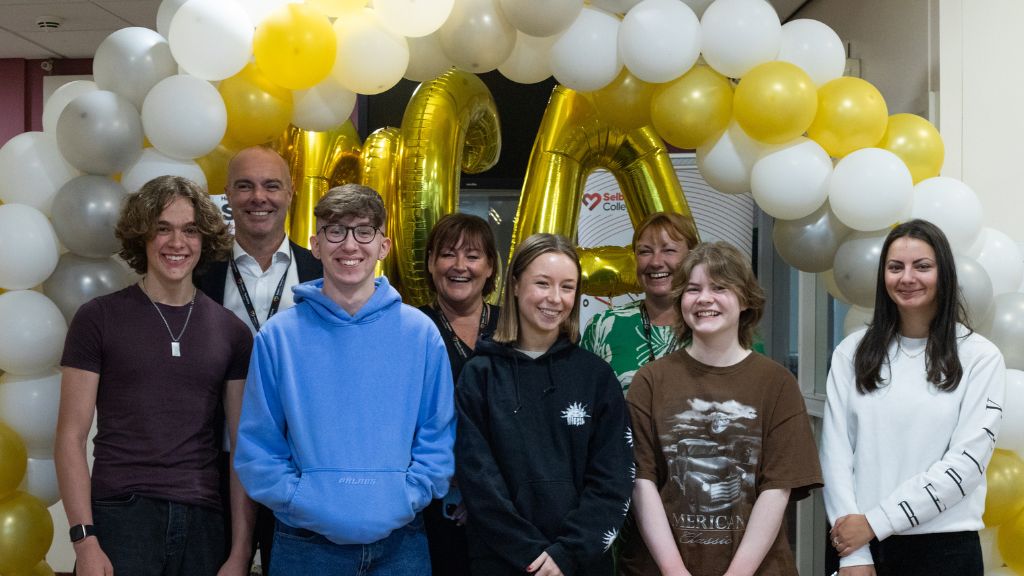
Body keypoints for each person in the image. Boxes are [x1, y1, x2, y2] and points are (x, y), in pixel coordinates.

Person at [233, 183, 456, 575]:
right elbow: (258, 448)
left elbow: (437, 437)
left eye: (363, 231)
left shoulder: (420, 334)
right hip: (305, 546)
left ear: (383, 245)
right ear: (315, 245)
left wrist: (407, 496)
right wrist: (300, 499)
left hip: (400, 545)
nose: (349, 245)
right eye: (335, 231)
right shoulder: (278, 337)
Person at [54, 176, 254, 576]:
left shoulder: (232, 331)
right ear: (142, 237)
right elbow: (70, 437)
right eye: (162, 228)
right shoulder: (98, 318)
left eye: (190, 231)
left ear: (204, 240)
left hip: (203, 521)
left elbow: (242, 451)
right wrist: (84, 539)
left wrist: (239, 554)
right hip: (120, 517)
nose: (177, 243)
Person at [619, 241, 822, 576]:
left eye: (720, 288)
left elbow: (777, 489)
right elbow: (642, 481)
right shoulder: (650, 380)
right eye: (693, 289)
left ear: (745, 300)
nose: (704, 299)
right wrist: (674, 571)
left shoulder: (777, 383)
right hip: (660, 567)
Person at [820, 219, 1006, 576]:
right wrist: (854, 554)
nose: (907, 278)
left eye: (922, 266)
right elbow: (835, 453)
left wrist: (875, 522)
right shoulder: (851, 353)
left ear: (944, 274)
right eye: (895, 267)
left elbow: (964, 467)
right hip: (860, 549)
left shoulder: (981, 358)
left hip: (944, 552)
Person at [455, 233, 634, 576]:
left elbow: (613, 479)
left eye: (567, 287)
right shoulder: (480, 375)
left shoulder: (596, 376)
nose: (555, 298)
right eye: (542, 283)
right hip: (501, 562)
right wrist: (531, 555)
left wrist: (567, 554)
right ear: (516, 285)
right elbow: (479, 482)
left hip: (581, 565)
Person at [193, 145, 323, 572]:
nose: (258, 197)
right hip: (213, 461)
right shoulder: (197, 273)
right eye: (245, 186)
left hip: (301, 461)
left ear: (290, 193)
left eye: (271, 185)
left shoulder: (323, 274)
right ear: (227, 194)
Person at [419, 213, 501, 575]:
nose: (459, 266)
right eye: (447, 254)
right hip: (432, 503)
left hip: (506, 504)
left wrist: (483, 489)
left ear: (490, 267)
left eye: (472, 256)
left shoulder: (515, 327)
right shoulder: (411, 328)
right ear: (431, 263)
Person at [581, 211, 699, 394]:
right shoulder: (604, 325)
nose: (656, 262)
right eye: (645, 251)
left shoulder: (715, 324)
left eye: (669, 250)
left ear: (691, 257)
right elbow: (582, 403)